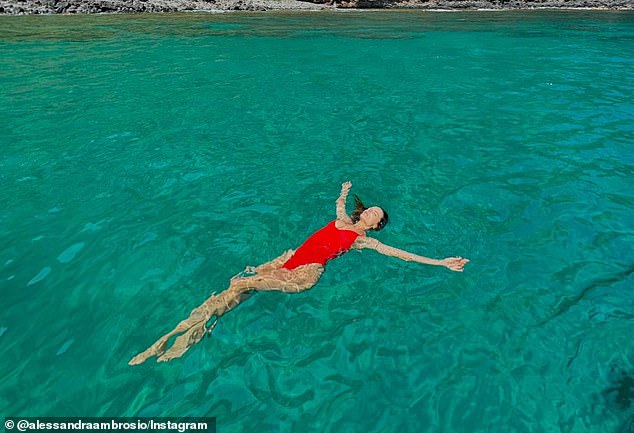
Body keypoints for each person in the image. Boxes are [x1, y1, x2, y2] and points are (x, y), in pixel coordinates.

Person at [128, 181, 469, 365]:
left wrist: (440, 262)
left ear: (375, 225)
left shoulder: (362, 241)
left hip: (304, 273)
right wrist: (343, 192)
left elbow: (401, 255)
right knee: (234, 290)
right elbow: (336, 208)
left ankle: (179, 337)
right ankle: (186, 333)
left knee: (242, 283)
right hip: (290, 259)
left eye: (378, 216)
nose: (375, 212)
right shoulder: (345, 219)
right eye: (374, 209)